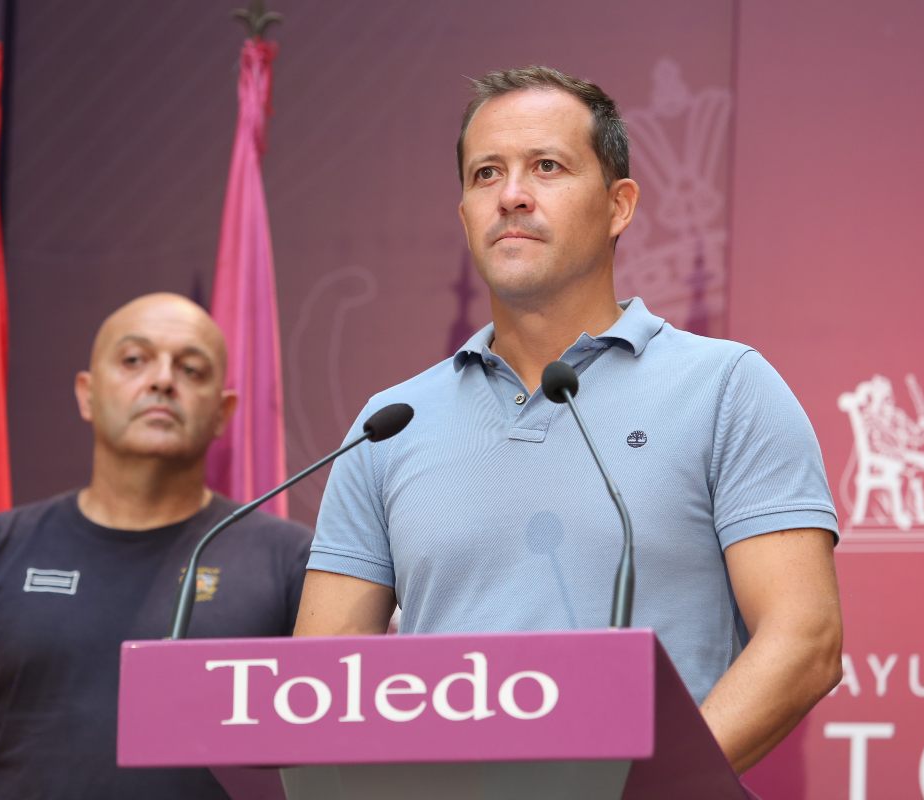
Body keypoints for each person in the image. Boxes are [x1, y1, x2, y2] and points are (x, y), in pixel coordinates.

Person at [294, 67, 843, 774]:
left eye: (546, 167)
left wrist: (645, 792)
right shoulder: (388, 424)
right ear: (463, 214)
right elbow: (319, 685)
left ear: (619, 206)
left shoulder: (727, 387)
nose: (512, 195)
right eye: (485, 174)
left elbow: (805, 639)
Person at [0, 293, 312, 799]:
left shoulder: (293, 561)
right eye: (134, 360)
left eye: (191, 369)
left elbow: (324, 762)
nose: (163, 380)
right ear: (87, 393)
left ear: (223, 412)